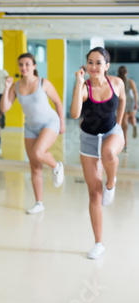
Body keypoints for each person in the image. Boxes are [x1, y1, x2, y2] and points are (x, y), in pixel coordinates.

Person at [70, 47, 125, 260]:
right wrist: (77, 83)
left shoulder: (116, 83)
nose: (94, 67)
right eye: (90, 62)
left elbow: (121, 102)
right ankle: (98, 243)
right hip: (89, 139)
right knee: (94, 194)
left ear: (106, 65)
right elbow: (75, 113)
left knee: (109, 153)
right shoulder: (84, 88)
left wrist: (119, 125)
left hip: (112, 133)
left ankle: (111, 183)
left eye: (98, 63)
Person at [0, 53, 65, 214]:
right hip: (30, 127)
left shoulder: (44, 83)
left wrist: (62, 122)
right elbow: (4, 108)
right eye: (21, 64)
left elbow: (57, 102)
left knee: (38, 152)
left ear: (34, 66)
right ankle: (39, 203)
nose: (24, 67)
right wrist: (6, 87)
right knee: (34, 165)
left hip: (50, 123)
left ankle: (57, 166)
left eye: (27, 64)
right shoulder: (16, 86)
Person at [117, 66, 138, 151]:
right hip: (130, 101)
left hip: (123, 101)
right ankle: (134, 124)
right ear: (127, 72)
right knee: (131, 117)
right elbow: (135, 92)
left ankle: (126, 146)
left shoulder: (118, 81)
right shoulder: (130, 81)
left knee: (124, 124)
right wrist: (136, 103)